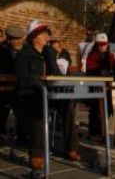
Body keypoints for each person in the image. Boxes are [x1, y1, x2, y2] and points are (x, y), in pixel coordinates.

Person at [15, 20, 79, 174]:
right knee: (39, 104)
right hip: (29, 95)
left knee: (67, 103)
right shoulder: (24, 55)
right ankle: (36, 153)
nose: (46, 36)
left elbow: (56, 76)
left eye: (45, 33)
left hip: (47, 93)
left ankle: (71, 148)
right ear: (34, 37)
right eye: (43, 33)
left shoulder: (47, 53)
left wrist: (50, 55)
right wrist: (38, 81)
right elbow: (22, 79)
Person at [85, 33, 115, 138]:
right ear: (96, 45)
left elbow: (113, 69)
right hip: (95, 86)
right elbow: (90, 71)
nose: (102, 47)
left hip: (106, 87)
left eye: (104, 44)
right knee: (95, 108)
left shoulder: (110, 56)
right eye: (100, 44)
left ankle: (102, 129)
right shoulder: (92, 55)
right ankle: (93, 131)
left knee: (106, 108)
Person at [0, 25, 25, 135]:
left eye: (21, 39)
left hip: (17, 89)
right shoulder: (2, 51)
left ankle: (23, 134)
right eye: (17, 39)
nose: (20, 41)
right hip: (4, 90)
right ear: (9, 39)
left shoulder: (22, 51)